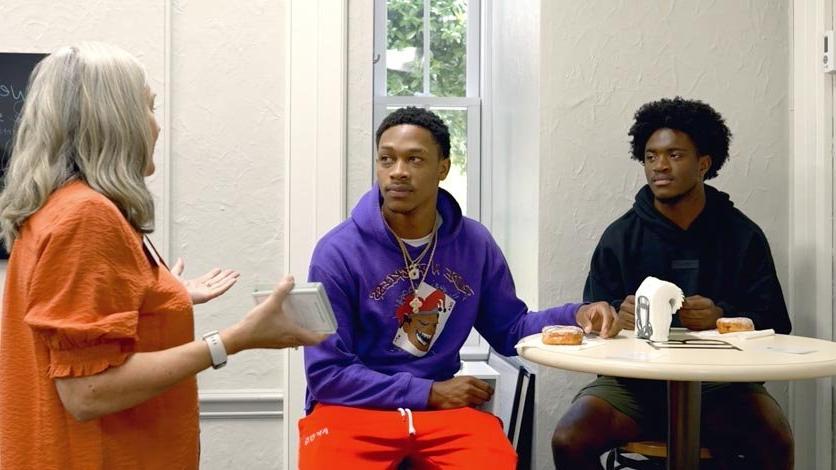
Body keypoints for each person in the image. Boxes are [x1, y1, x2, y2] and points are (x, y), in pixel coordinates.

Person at [0, 42, 327, 470]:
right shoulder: (86, 215)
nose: (156, 127)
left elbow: (77, 325)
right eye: (149, 109)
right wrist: (235, 339)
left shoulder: (57, 205)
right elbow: (87, 392)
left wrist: (160, 296)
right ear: (117, 120)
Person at [299, 106, 620, 469]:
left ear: (443, 168)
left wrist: (575, 315)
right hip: (353, 410)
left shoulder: (473, 243)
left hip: (440, 415)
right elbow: (327, 374)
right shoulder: (337, 251)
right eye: (386, 159)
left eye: (414, 159)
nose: (397, 172)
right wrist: (429, 392)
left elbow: (510, 328)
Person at [551, 97, 794, 470]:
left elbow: (777, 322)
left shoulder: (742, 235)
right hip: (633, 388)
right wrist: (616, 317)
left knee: (776, 438)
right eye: (650, 157)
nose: (659, 166)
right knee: (569, 439)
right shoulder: (621, 236)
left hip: (723, 387)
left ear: (704, 164)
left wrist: (722, 317)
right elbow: (591, 320)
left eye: (675, 155)